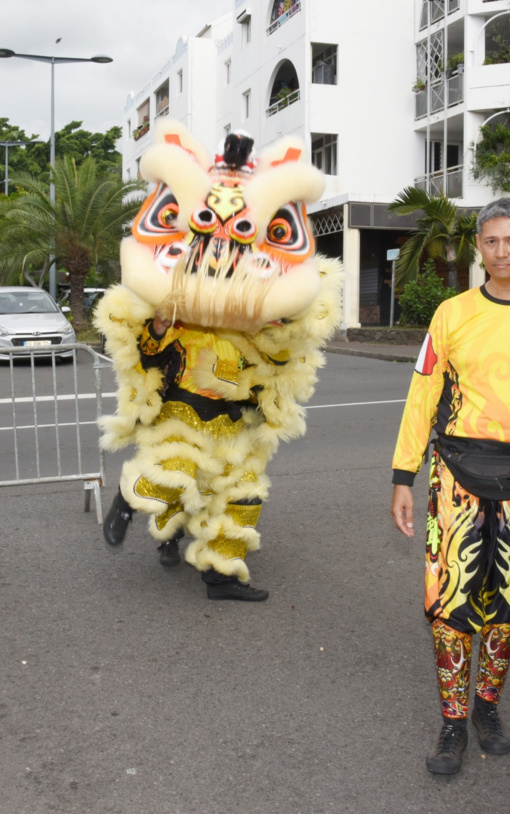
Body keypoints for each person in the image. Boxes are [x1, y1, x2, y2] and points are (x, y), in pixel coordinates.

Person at [95, 122, 342, 602]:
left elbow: (282, 354)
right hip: (186, 412)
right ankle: (128, 504)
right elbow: (149, 353)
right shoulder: (182, 314)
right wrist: (162, 327)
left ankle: (221, 575)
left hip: (236, 422)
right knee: (175, 476)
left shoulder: (257, 318)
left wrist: (275, 339)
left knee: (243, 495)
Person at [390, 197, 510, 775]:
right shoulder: (451, 314)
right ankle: (452, 722)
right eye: (491, 242)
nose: (502, 252)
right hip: (456, 476)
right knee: (449, 602)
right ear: (480, 246)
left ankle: (486, 707)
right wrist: (404, 475)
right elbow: (423, 394)